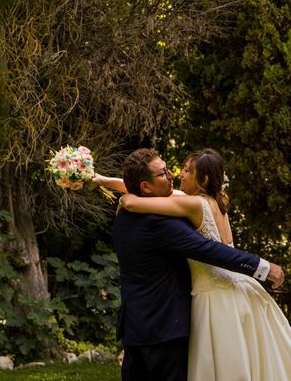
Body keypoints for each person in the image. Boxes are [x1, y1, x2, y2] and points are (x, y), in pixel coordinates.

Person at [99, 148, 284, 381]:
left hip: (136, 323)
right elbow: (209, 250)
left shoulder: (124, 215)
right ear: (145, 187)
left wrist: (119, 192)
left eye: (180, 170)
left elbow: (135, 200)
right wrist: (263, 267)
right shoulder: (165, 220)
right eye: (164, 173)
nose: (173, 175)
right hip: (165, 324)